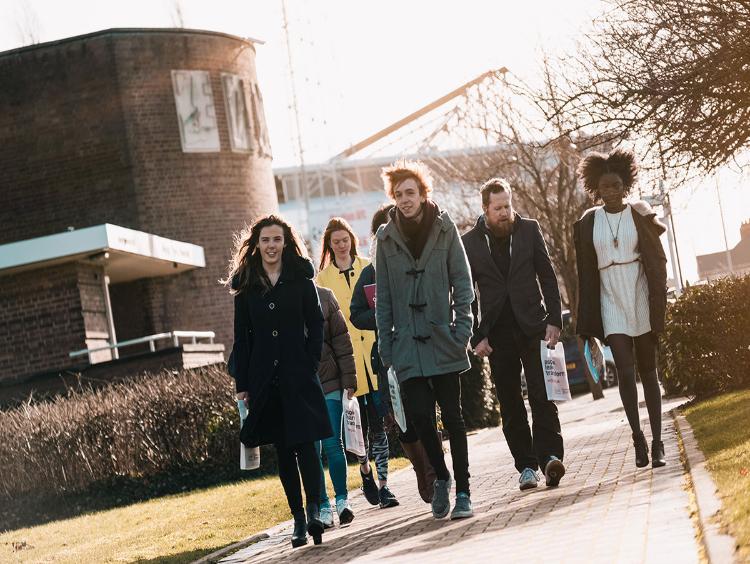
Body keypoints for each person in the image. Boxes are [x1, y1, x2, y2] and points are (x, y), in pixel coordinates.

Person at [375, 160, 474, 520]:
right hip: (406, 346)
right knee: (419, 417)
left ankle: (463, 490)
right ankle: (442, 478)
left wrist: (462, 329)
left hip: (443, 338)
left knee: (454, 417)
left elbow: (462, 284)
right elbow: (383, 298)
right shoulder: (385, 239)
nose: (404, 200)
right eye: (398, 194)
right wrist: (387, 349)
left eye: (410, 193)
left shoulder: (446, 230)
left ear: (422, 194)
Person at [225, 214, 332, 548]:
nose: (271, 246)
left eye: (277, 239)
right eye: (266, 240)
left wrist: (311, 360)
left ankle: (315, 509)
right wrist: (242, 383)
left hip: (298, 374)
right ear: (257, 245)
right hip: (263, 381)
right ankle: (298, 520)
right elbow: (241, 338)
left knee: (307, 447)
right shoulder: (245, 287)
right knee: (285, 452)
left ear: (286, 243)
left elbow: (316, 323)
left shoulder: (301, 279)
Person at [462, 178, 565, 492]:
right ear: (486, 209)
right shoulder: (470, 242)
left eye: (508, 206)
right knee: (510, 402)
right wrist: (475, 335)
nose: (505, 213)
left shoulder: (529, 230)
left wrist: (554, 320)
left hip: (533, 325)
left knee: (542, 394)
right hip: (497, 334)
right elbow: (466, 292)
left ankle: (549, 458)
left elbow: (547, 276)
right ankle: (526, 466)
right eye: (498, 208)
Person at [574, 149, 668, 468]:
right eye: (605, 186)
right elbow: (585, 275)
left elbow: (657, 262)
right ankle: (637, 438)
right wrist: (584, 327)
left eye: (616, 185)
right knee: (626, 372)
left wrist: (659, 308)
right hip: (610, 298)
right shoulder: (589, 222)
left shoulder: (639, 214)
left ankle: (657, 443)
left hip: (639, 294)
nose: (611, 191)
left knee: (649, 372)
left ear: (624, 184)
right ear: (596, 188)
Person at [350, 203, 437, 504]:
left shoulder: (417, 260)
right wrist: (380, 316)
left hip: (421, 347)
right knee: (402, 420)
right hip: (387, 357)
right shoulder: (370, 272)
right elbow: (355, 313)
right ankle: (421, 469)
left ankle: (434, 473)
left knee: (426, 412)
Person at [317, 217, 400, 509]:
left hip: (372, 359)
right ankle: (364, 468)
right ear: (329, 245)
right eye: (335, 241)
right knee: (356, 427)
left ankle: (385, 484)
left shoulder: (369, 267)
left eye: (345, 240)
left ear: (353, 240)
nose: (341, 245)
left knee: (379, 425)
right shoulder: (322, 279)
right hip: (345, 366)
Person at [314, 285, 358, 527]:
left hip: (331, 383)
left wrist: (349, 380)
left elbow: (342, 342)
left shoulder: (325, 297)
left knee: (332, 443)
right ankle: (323, 506)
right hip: (304, 390)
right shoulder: (284, 299)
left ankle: (342, 501)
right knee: (313, 450)